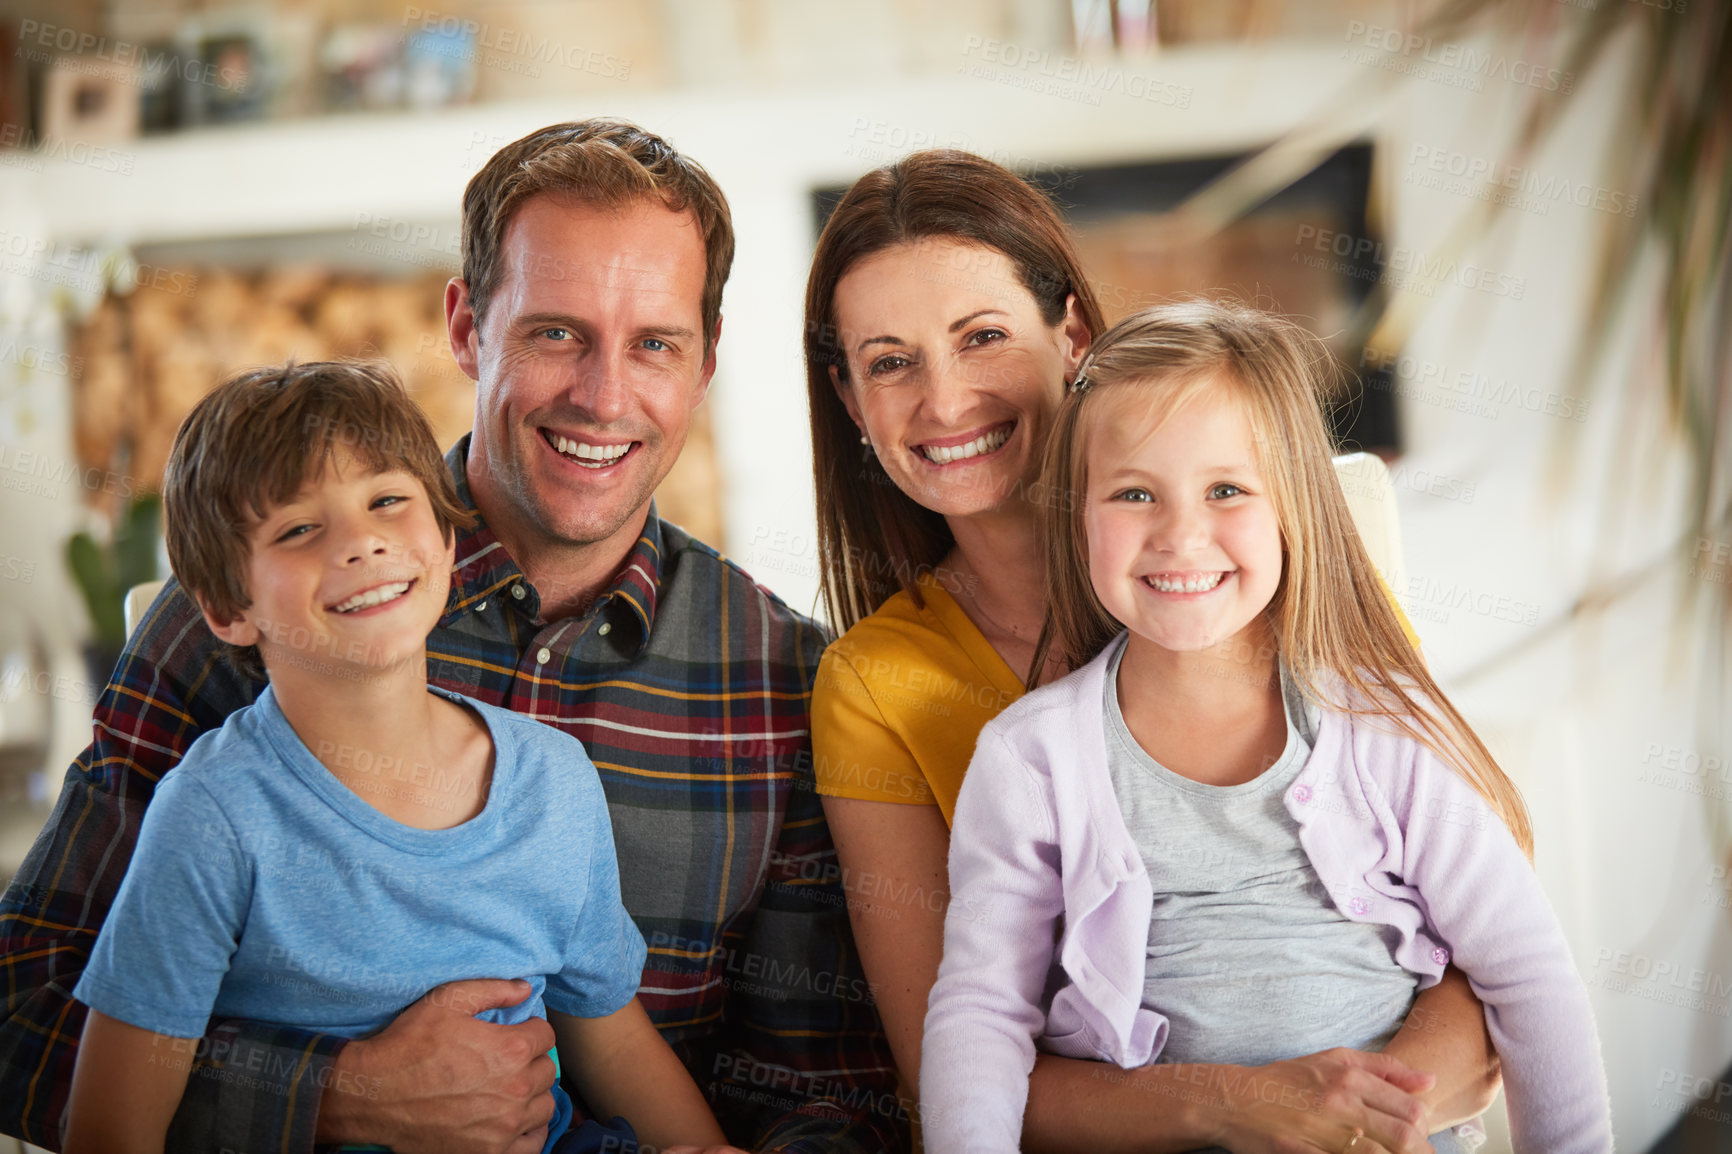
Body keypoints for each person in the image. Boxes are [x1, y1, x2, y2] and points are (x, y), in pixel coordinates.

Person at [0, 119, 900, 1154]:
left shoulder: (786, 679)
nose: (604, 396)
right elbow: (22, 1007)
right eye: (556, 332)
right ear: (468, 326)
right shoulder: (252, 625)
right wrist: (331, 1094)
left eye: (654, 342)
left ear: (703, 364)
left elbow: (822, 1093)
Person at [805, 150, 1504, 1151]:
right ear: (849, 401)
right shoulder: (873, 684)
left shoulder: (1288, 567)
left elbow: (1498, 961)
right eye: (889, 360)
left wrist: (1359, 1122)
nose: (946, 397)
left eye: (983, 337)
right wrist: (1246, 1107)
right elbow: (951, 1074)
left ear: (1072, 334)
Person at [920, 301, 1613, 1153]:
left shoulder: (1381, 724)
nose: (1181, 535)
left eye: (1226, 491)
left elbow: (1528, 972)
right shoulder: (1031, 760)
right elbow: (982, 1013)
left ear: (1291, 508)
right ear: (1079, 517)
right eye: (1134, 493)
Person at [63, 361, 727, 1154]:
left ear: (445, 544)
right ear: (225, 608)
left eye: (386, 501)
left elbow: (609, 1034)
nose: (362, 542)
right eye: (299, 529)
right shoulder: (212, 815)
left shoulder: (554, 778)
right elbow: (108, 1131)